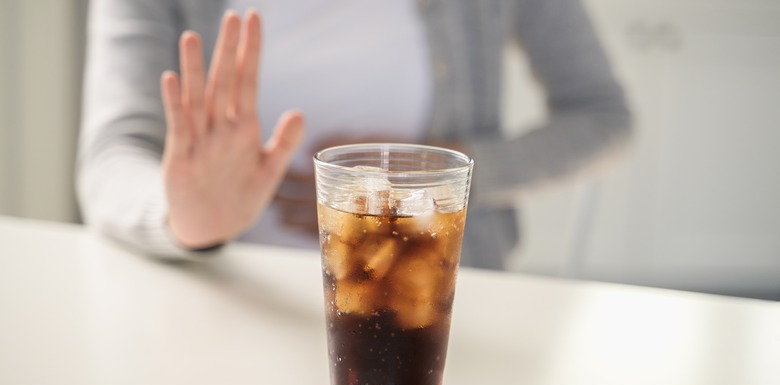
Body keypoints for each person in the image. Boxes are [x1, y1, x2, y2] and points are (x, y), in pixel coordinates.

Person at [77, 0, 632, 270]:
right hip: (223, 295)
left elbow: (603, 117)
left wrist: (443, 177)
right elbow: (112, 155)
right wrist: (182, 219)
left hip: (440, 302)